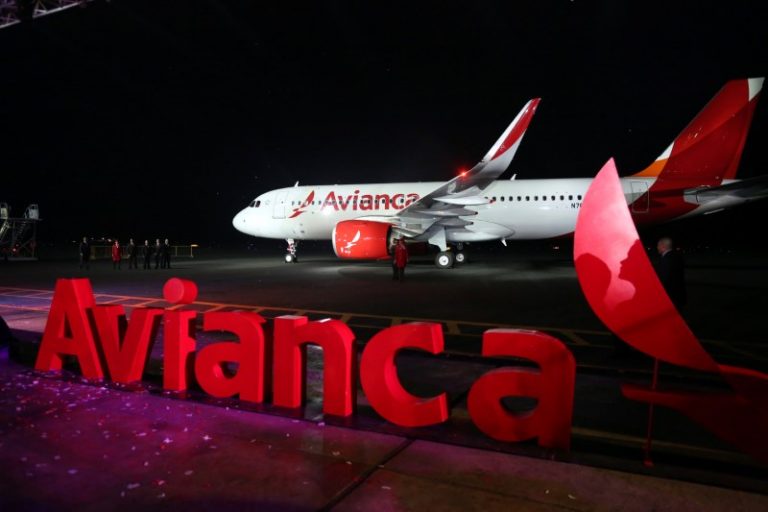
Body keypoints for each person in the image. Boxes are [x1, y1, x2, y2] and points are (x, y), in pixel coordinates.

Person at [656, 237, 686, 310]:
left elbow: (664, 278)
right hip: (679, 293)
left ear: (663, 246)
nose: (657, 247)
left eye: (658, 245)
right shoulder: (677, 256)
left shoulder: (666, 259)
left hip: (670, 294)